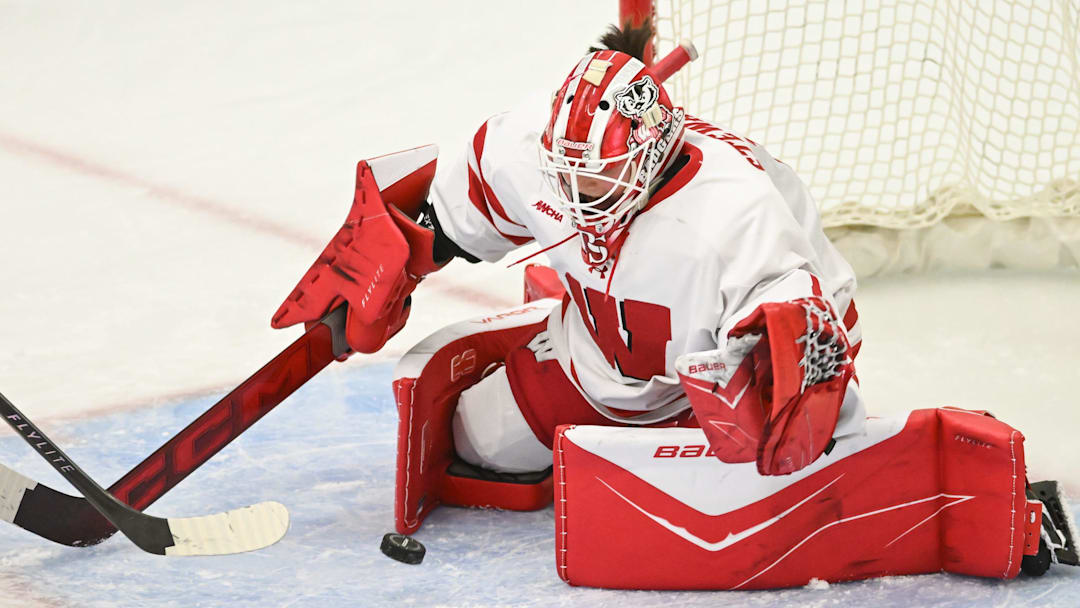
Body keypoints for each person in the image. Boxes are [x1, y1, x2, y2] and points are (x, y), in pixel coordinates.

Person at [272, 22, 1077, 588]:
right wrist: (391, 259)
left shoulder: (735, 209)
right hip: (596, 350)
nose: (581, 198)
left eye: (599, 182)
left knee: (771, 463)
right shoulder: (535, 145)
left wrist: (785, 376)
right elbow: (450, 208)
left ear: (653, 155)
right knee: (479, 437)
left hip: (718, 371)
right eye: (569, 178)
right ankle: (648, 418)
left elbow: (801, 317)